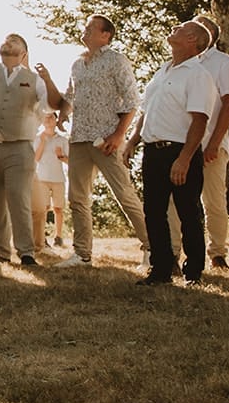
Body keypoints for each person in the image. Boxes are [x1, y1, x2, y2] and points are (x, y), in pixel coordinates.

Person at [42, 14, 151, 269]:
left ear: (106, 35)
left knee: (124, 195)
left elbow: (133, 100)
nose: (86, 30)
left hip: (106, 140)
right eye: (86, 27)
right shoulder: (77, 63)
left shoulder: (116, 60)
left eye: (92, 28)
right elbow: (66, 100)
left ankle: (151, 247)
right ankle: (82, 254)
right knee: (77, 198)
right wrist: (52, 92)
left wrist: (118, 135)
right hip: (79, 138)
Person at [125, 21, 219, 286]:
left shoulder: (198, 75)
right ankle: (161, 270)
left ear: (192, 39)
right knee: (153, 211)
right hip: (152, 150)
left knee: (188, 211)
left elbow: (199, 120)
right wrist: (133, 140)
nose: (173, 29)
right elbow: (146, 111)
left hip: (180, 150)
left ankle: (194, 272)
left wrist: (185, 158)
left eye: (179, 28)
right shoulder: (162, 71)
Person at [167, 13, 229, 269]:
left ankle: (218, 253)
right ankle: (173, 253)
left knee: (213, 201)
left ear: (207, 36)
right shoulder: (178, 63)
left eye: (201, 27)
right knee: (174, 202)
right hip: (181, 142)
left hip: (211, 143)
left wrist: (214, 143)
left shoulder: (224, 64)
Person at [0, 34, 45, 272]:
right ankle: (1, 250)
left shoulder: (35, 80)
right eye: (7, 41)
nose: (9, 43)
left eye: (15, 42)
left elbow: (47, 106)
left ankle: (26, 253)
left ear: (24, 53)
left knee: (18, 198)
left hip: (19, 147)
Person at [32, 111, 68, 248]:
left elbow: (70, 161)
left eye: (51, 117)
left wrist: (61, 156)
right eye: (45, 117)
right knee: (43, 208)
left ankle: (58, 237)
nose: (48, 119)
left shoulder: (62, 140)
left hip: (58, 178)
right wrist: (42, 142)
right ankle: (43, 238)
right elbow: (36, 158)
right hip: (42, 178)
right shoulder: (37, 138)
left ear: (56, 120)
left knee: (58, 208)